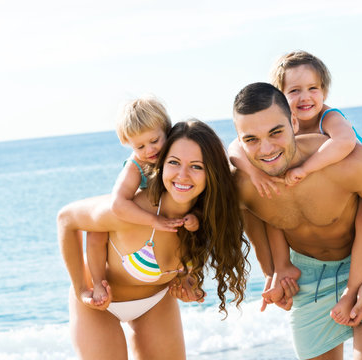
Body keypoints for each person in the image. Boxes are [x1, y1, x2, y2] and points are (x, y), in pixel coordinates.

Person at [232, 82, 362, 359]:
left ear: (294, 122)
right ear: (239, 141)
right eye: (251, 139)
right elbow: (248, 213)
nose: (266, 149)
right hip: (308, 279)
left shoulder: (345, 163)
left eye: (276, 133)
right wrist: (272, 271)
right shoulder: (243, 184)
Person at [57, 120, 249, 360]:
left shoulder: (207, 214)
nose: (182, 175)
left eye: (196, 167)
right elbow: (66, 219)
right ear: (161, 164)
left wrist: (186, 279)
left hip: (155, 302)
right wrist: (81, 289)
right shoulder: (132, 211)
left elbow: (246, 165)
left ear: (212, 172)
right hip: (101, 305)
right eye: (174, 163)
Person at [229, 51, 362, 325]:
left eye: (314, 88)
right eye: (294, 90)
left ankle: (353, 290)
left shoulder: (329, 117)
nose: (305, 97)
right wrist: (255, 174)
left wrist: (304, 168)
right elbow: (234, 148)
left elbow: (345, 143)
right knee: (273, 205)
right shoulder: (277, 129)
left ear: (324, 91)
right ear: (277, 97)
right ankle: (277, 270)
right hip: (311, 196)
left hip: (361, 191)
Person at [86, 96, 199, 305]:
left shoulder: (178, 151)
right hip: (142, 219)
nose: (149, 150)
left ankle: (187, 275)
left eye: (155, 141)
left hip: (170, 218)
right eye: (139, 146)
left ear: (167, 130)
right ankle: (98, 282)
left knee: (188, 232)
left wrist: (194, 217)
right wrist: (152, 220)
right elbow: (118, 203)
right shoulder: (136, 164)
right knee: (95, 232)